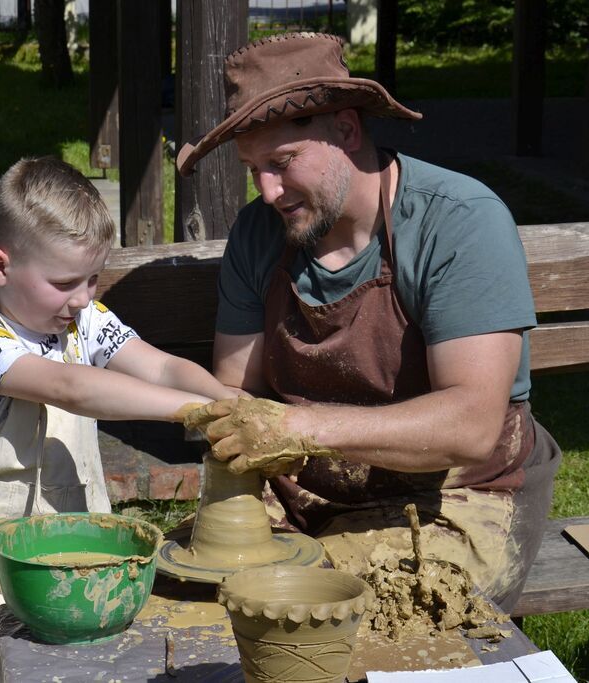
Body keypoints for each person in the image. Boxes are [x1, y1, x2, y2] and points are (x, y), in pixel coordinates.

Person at [177, 32, 562, 612]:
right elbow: (238, 389)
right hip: (309, 489)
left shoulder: (456, 223)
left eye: (281, 164)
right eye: (252, 169)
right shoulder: (259, 234)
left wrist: (301, 429)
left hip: (454, 496)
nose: (267, 191)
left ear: (348, 131)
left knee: (312, 608)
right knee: (194, 597)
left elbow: (472, 425)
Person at [0, 156, 239, 683]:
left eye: (94, 280)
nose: (82, 299)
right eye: (65, 282)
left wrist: (230, 403)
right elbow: (69, 388)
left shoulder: (87, 321)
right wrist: (194, 413)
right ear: (0, 266)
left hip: (76, 559)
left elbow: (164, 367)